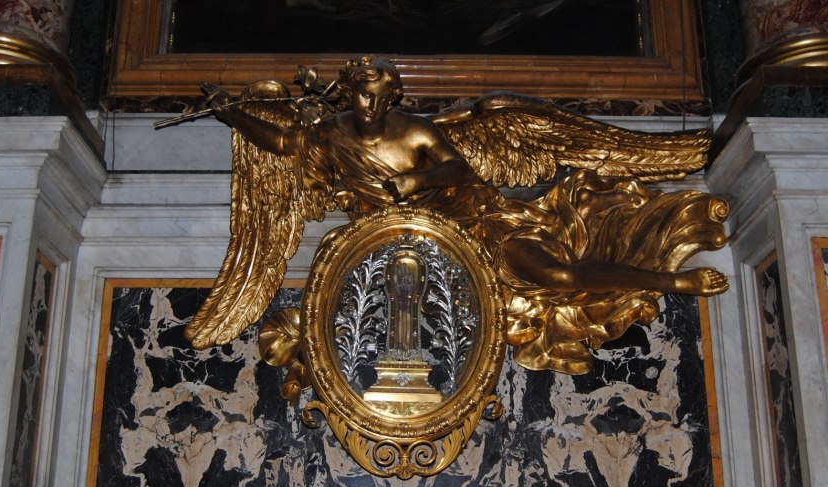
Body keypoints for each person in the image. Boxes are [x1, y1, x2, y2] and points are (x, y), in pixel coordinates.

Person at [203, 56, 728, 373]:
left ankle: (669, 281)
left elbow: (460, 171)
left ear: (392, 99)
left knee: (559, 276)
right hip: (393, 239)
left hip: (475, 229)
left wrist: (417, 179)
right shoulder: (331, 133)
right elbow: (286, 140)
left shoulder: (415, 131)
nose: (366, 106)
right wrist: (229, 110)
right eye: (360, 96)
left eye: (376, 97)